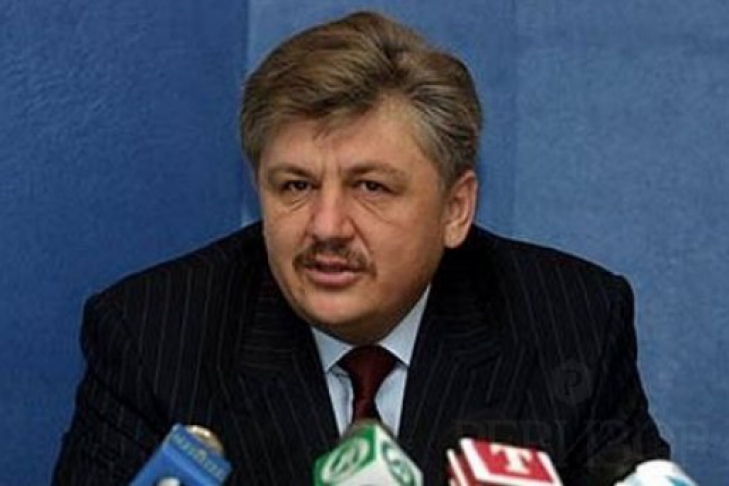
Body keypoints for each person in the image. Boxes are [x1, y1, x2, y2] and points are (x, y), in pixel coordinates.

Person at [54, 11, 669, 485]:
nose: (326, 226)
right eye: (296, 186)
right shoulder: (152, 335)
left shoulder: (572, 322)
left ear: (455, 208)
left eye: (370, 187)